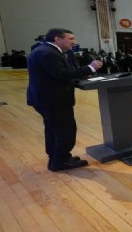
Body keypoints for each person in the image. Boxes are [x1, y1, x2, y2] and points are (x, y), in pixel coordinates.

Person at [27, 28, 103, 172]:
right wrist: (90, 68)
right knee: (65, 131)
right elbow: (61, 74)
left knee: (53, 129)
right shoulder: (48, 53)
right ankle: (59, 162)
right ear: (58, 39)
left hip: (47, 99)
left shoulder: (45, 50)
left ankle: (59, 157)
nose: (74, 42)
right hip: (53, 100)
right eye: (71, 39)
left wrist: (78, 76)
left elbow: (54, 75)